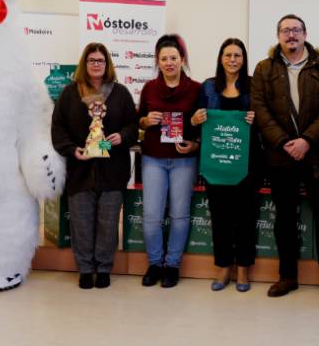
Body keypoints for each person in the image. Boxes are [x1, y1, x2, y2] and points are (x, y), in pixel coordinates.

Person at [251, 14, 319, 300]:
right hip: (280, 157)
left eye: (296, 30)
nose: (291, 34)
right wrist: (284, 142)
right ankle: (287, 277)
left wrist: (306, 140)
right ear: (278, 35)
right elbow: (260, 109)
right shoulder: (264, 68)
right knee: (284, 219)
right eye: (285, 30)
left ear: (305, 34)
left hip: (317, 155)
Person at [51, 42, 139, 290]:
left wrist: (123, 136)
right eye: (92, 60)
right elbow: (58, 128)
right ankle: (85, 269)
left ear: (107, 63)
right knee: (81, 223)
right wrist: (72, 150)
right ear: (84, 63)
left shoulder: (120, 93)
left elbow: (133, 126)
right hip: (80, 171)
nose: (96, 64)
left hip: (113, 171)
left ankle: (103, 268)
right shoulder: (70, 93)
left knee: (108, 223)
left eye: (100, 60)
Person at [191, 38, 258, 292]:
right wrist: (195, 119)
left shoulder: (254, 86)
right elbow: (194, 121)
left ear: (244, 59)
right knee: (220, 218)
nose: (232, 59)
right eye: (228, 55)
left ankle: (243, 270)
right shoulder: (208, 87)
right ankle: (223, 267)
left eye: (237, 55)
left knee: (245, 218)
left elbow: (265, 119)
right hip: (215, 163)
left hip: (247, 163)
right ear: (221, 58)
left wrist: (255, 119)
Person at [138, 34, 201, 288]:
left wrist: (196, 143)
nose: (169, 63)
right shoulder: (149, 88)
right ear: (158, 61)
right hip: (153, 158)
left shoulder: (196, 89)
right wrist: (146, 121)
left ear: (182, 59)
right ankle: (154, 263)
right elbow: (139, 120)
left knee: (179, 215)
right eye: (164, 59)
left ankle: (172, 265)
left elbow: (202, 126)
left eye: (173, 58)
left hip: (183, 160)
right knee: (152, 215)